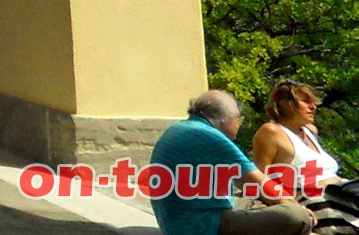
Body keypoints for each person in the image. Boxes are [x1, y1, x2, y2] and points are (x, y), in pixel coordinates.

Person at [149, 90, 314, 235]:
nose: (239, 123)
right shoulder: (210, 138)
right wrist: (300, 211)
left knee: (258, 204)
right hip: (204, 226)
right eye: (238, 118)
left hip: (178, 222)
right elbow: (261, 185)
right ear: (224, 119)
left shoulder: (182, 128)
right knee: (296, 217)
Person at [253, 80, 355, 234]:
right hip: (314, 202)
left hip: (344, 193)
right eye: (306, 102)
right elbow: (260, 179)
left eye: (313, 102)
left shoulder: (309, 131)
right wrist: (291, 207)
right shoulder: (271, 132)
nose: (313, 107)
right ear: (286, 104)